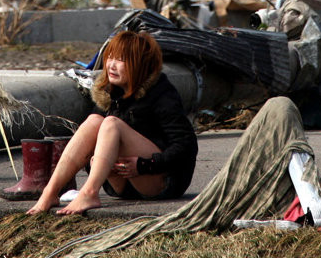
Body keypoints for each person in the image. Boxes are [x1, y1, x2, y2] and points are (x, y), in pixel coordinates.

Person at [27, 30, 198, 215]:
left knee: (111, 124)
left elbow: (186, 145)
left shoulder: (162, 93)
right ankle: (50, 192)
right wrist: (94, 161)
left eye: (121, 60)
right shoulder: (109, 93)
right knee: (94, 121)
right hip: (121, 186)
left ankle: (89, 193)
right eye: (110, 58)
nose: (111, 65)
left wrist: (145, 164)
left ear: (140, 64)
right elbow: (90, 147)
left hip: (160, 181)